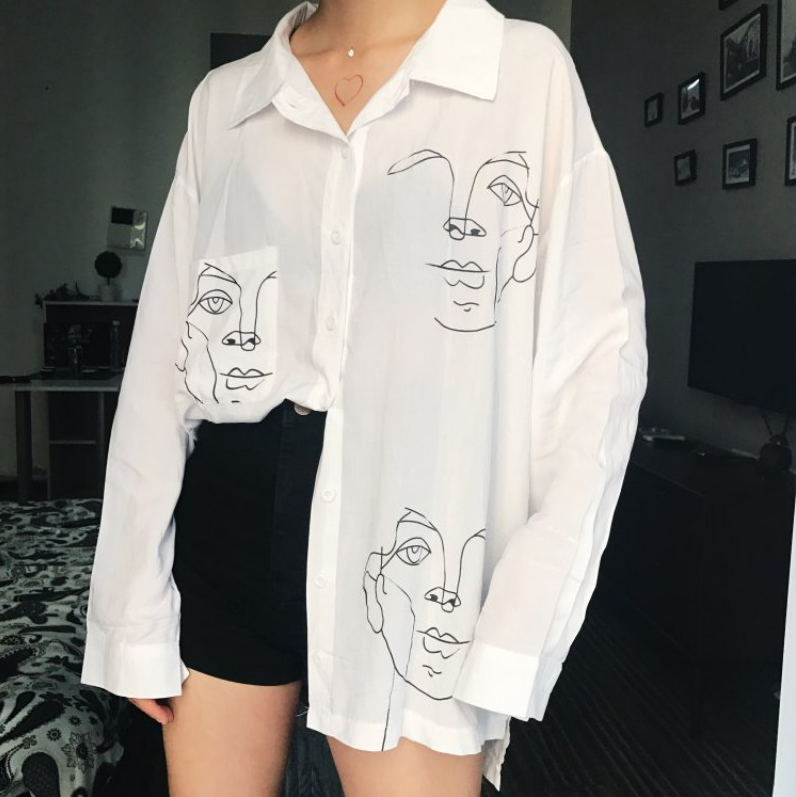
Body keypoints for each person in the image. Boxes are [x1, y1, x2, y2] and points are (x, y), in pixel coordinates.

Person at [81, 0, 648, 795]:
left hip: (418, 530)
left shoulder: (521, 73)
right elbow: (162, 361)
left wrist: (523, 617)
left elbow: (594, 366)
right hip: (228, 526)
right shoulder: (228, 102)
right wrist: (129, 602)